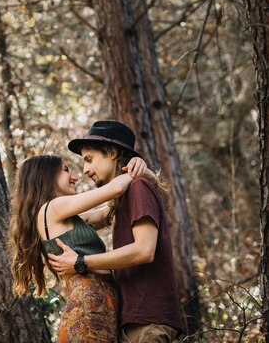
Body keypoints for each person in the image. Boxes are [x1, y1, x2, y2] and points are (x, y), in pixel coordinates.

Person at [47, 120, 184, 342]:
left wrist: (81, 261)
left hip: (148, 320)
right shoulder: (121, 199)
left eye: (89, 160)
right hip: (135, 320)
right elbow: (85, 219)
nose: (85, 170)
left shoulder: (139, 187)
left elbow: (144, 250)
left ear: (111, 152)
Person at [9, 153, 146, 342]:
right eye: (65, 171)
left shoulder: (64, 217)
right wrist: (136, 168)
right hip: (89, 307)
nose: (74, 177)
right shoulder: (54, 207)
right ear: (46, 176)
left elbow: (108, 213)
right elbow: (115, 189)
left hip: (97, 304)